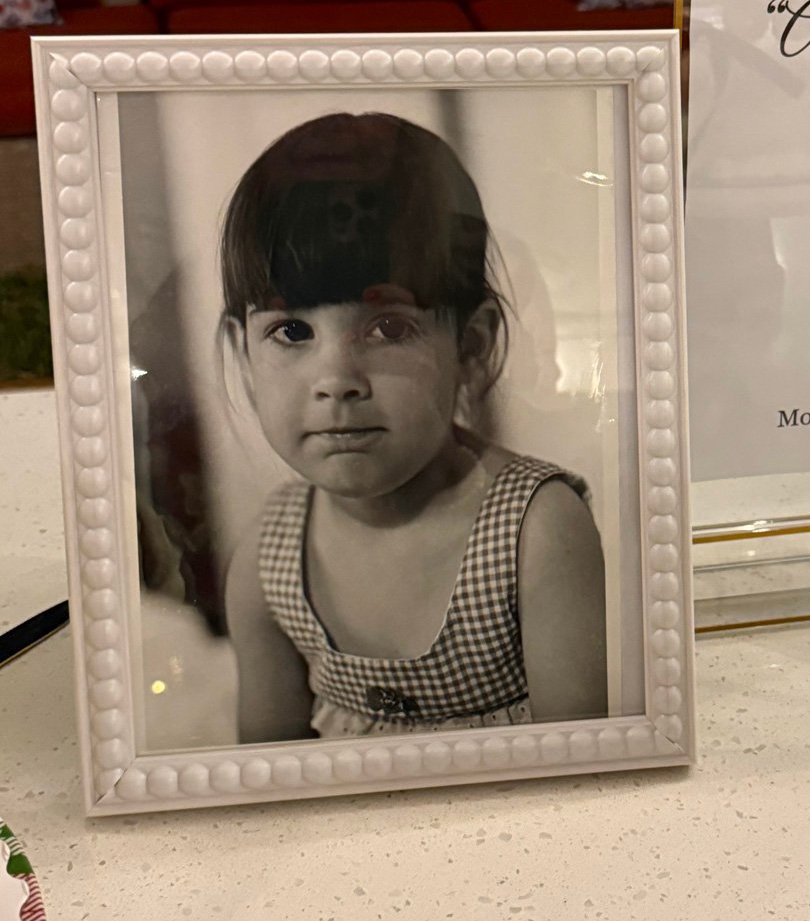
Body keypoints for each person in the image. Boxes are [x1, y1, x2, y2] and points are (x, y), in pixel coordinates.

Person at [220, 112, 607, 742]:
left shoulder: (536, 530)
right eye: (291, 332)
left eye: (389, 329)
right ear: (244, 353)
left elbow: (580, 770)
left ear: (472, 347)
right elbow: (267, 774)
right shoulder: (267, 561)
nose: (336, 379)